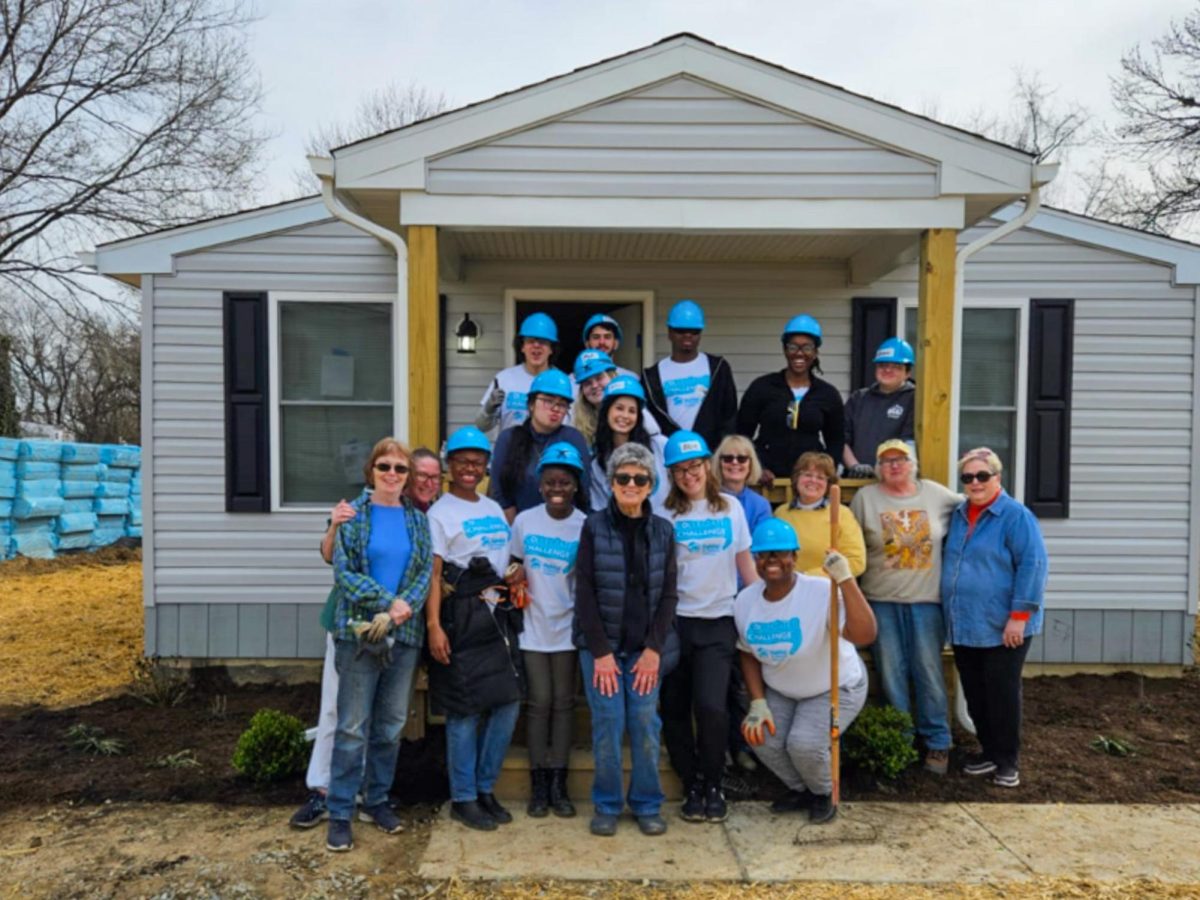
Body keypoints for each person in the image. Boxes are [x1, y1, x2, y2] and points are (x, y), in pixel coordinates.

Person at [324, 437, 433, 853]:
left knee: (389, 726)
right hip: (359, 633)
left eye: (400, 469)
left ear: (408, 477)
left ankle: (376, 800)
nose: (392, 475)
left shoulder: (417, 519)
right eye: (384, 467)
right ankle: (339, 810)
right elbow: (344, 573)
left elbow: (424, 571)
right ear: (371, 471)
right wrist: (389, 602)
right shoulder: (352, 516)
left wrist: (404, 610)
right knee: (352, 727)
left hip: (404, 635)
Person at [737, 518, 876, 824]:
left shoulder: (820, 592)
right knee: (761, 737)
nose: (771, 561)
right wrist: (758, 702)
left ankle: (824, 792)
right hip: (783, 689)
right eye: (764, 555)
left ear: (794, 557)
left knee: (804, 744)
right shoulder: (745, 601)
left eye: (780, 553)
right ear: (755, 560)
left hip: (834, 685)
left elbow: (865, 635)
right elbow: (747, 653)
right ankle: (802, 789)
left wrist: (845, 580)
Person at [574, 441, 679, 838]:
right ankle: (606, 804)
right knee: (607, 723)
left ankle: (648, 804)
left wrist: (654, 649)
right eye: (623, 477)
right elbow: (583, 591)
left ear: (651, 484)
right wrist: (600, 653)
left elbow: (669, 594)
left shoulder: (663, 531)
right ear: (612, 482)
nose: (631, 484)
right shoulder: (593, 526)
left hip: (644, 650)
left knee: (645, 724)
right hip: (601, 648)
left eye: (639, 478)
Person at [426, 426, 523, 832]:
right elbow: (433, 575)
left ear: (486, 467)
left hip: (496, 610)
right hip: (459, 612)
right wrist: (433, 625)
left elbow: (503, 559)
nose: (470, 467)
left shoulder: (491, 508)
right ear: (450, 466)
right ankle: (463, 797)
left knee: (507, 700)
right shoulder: (439, 513)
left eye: (477, 462)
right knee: (464, 710)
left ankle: (485, 788)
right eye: (463, 461)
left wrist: (514, 574)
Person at [660, 430, 756, 825]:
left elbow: (746, 566)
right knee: (675, 709)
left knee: (713, 708)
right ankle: (692, 783)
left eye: (695, 466)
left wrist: (758, 611)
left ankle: (714, 783)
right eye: (680, 469)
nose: (689, 475)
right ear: (672, 474)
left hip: (719, 621)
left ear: (707, 466)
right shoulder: (664, 513)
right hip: (677, 622)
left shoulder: (730, 508)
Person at [850, 439, 960, 775]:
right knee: (892, 673)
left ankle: (938, 743)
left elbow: (975, 505)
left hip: (927, 603)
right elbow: (852, 541)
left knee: (927, 671)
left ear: (914, 463)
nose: (894, 465)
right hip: (881, 601)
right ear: (878, 467)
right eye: (886, 461)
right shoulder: (865, 499)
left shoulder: (938, 495)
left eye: (901, 459)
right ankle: (901, 739)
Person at [942, 447, 1048, 789]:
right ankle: (988, 752)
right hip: (965, 622)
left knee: (1002, 695)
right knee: (976, 694)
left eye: (982, 476)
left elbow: (1033, 566)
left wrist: (1018, 617)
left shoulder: (1016, 516)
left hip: (1004, 626)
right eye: (968, 477)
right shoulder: (958, 514)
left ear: (997, 478)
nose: (975, 483)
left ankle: (1007, 761)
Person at [509, 442, 588, 818]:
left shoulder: (585, 526)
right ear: (540, 486)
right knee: (539, 703)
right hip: (533, 627)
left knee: (564, 704)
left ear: (575, 486)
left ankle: (560, 780)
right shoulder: (525, 521)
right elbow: (513, 565)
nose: (557, 487)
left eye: (565, 481)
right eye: (550, 481)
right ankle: (538, 779)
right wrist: (514, 575)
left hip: (568, 629)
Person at [288, 497, 357, 831]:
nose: (425, 482)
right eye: (386, 467)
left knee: (381, 715)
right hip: (348, 624)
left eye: (433, 477)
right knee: (334, 707)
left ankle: (365, 790)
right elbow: (329, 554)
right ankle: (322, 787)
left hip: (398, 627)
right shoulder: (358, 510)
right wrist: (333, 525)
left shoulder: (421, 518)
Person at [736, 315, 844, 487]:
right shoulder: (762, 387)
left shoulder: (827, 394)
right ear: (785, 350)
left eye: (807, 347)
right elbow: (741, 435)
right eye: (793, 346)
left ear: (816, 352)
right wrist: (757, 468)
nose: (799, 353)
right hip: (766, 483)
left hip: (811, 481)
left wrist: (825, 473)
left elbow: (836, 441)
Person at [489, 369, 591, 521]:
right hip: (518, 526)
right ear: (531, 404)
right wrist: (520, 529)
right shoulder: (508, 438)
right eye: (548, 401)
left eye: (562, 404)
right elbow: (500, 494)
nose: (555, 408)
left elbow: (583, 489)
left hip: (566, 526)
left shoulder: (573, 438)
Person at [643, 299, 738, 450]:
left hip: (709, 455)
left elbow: (729, 417)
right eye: (680, 331)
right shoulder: (651, 376)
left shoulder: (718, 368)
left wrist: (722, 454)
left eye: (694, 332)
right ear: (669, 332)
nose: (688, 336)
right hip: (669, 454)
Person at [775, 452, 867, 579]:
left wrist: (807, 577)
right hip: (785, 590)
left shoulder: (841, 514)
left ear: (829, 485)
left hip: (828, 591)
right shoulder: (781, 514)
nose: (813, 480)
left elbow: (856, 561)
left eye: (820, 477)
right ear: (797, 478)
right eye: (807, 475)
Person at [588, 376, 668, 512]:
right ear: (607, 411)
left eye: (632, 411)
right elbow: (601, 510)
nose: (625, 416)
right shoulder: (597, 460)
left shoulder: (661, 446)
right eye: (619, 408)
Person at [843, 338, 916, 478]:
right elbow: (842, 439)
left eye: (896, 366)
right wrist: (854, 466)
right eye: (882, 365)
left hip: (895, 481)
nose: (888, 370)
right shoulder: (858, 398)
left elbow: (908, 444)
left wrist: (885, 470)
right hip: (855, 481)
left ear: (907, 373)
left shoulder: (914, 399)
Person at [477, 312, 560, 435]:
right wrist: (489, 407)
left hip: (549, 453)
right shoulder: (503, 379)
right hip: (510, 453)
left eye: (542, 342)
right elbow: (481, 426)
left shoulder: (562, 381)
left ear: (551, 348)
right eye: (531, 341)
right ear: (522, 347)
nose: (536, 346)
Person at [712, 435, 772, 539]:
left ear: (751, 464)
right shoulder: (707, 499)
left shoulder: (760, 505)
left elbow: (762, 546)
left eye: (742, 459)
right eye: (728, 458)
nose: (735, 462)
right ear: (719, 463)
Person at [571, 349, 619, 446]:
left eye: (599, 378)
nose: (594, 385)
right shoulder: (575, 424)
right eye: (587, 383)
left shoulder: (633, 411)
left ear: (612, 377)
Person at [581, 313, 638, 379]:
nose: (601, 342)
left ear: (616, 344)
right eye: (596, 337)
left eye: (607, 337)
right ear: (587, 344)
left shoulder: (631, 378)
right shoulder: (572, 381)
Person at [408, 447, 442, 511]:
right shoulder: (395, 508)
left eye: (435, 477)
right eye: (422, 475)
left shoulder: (436, 510)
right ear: (408, 475)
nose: (429, 484)